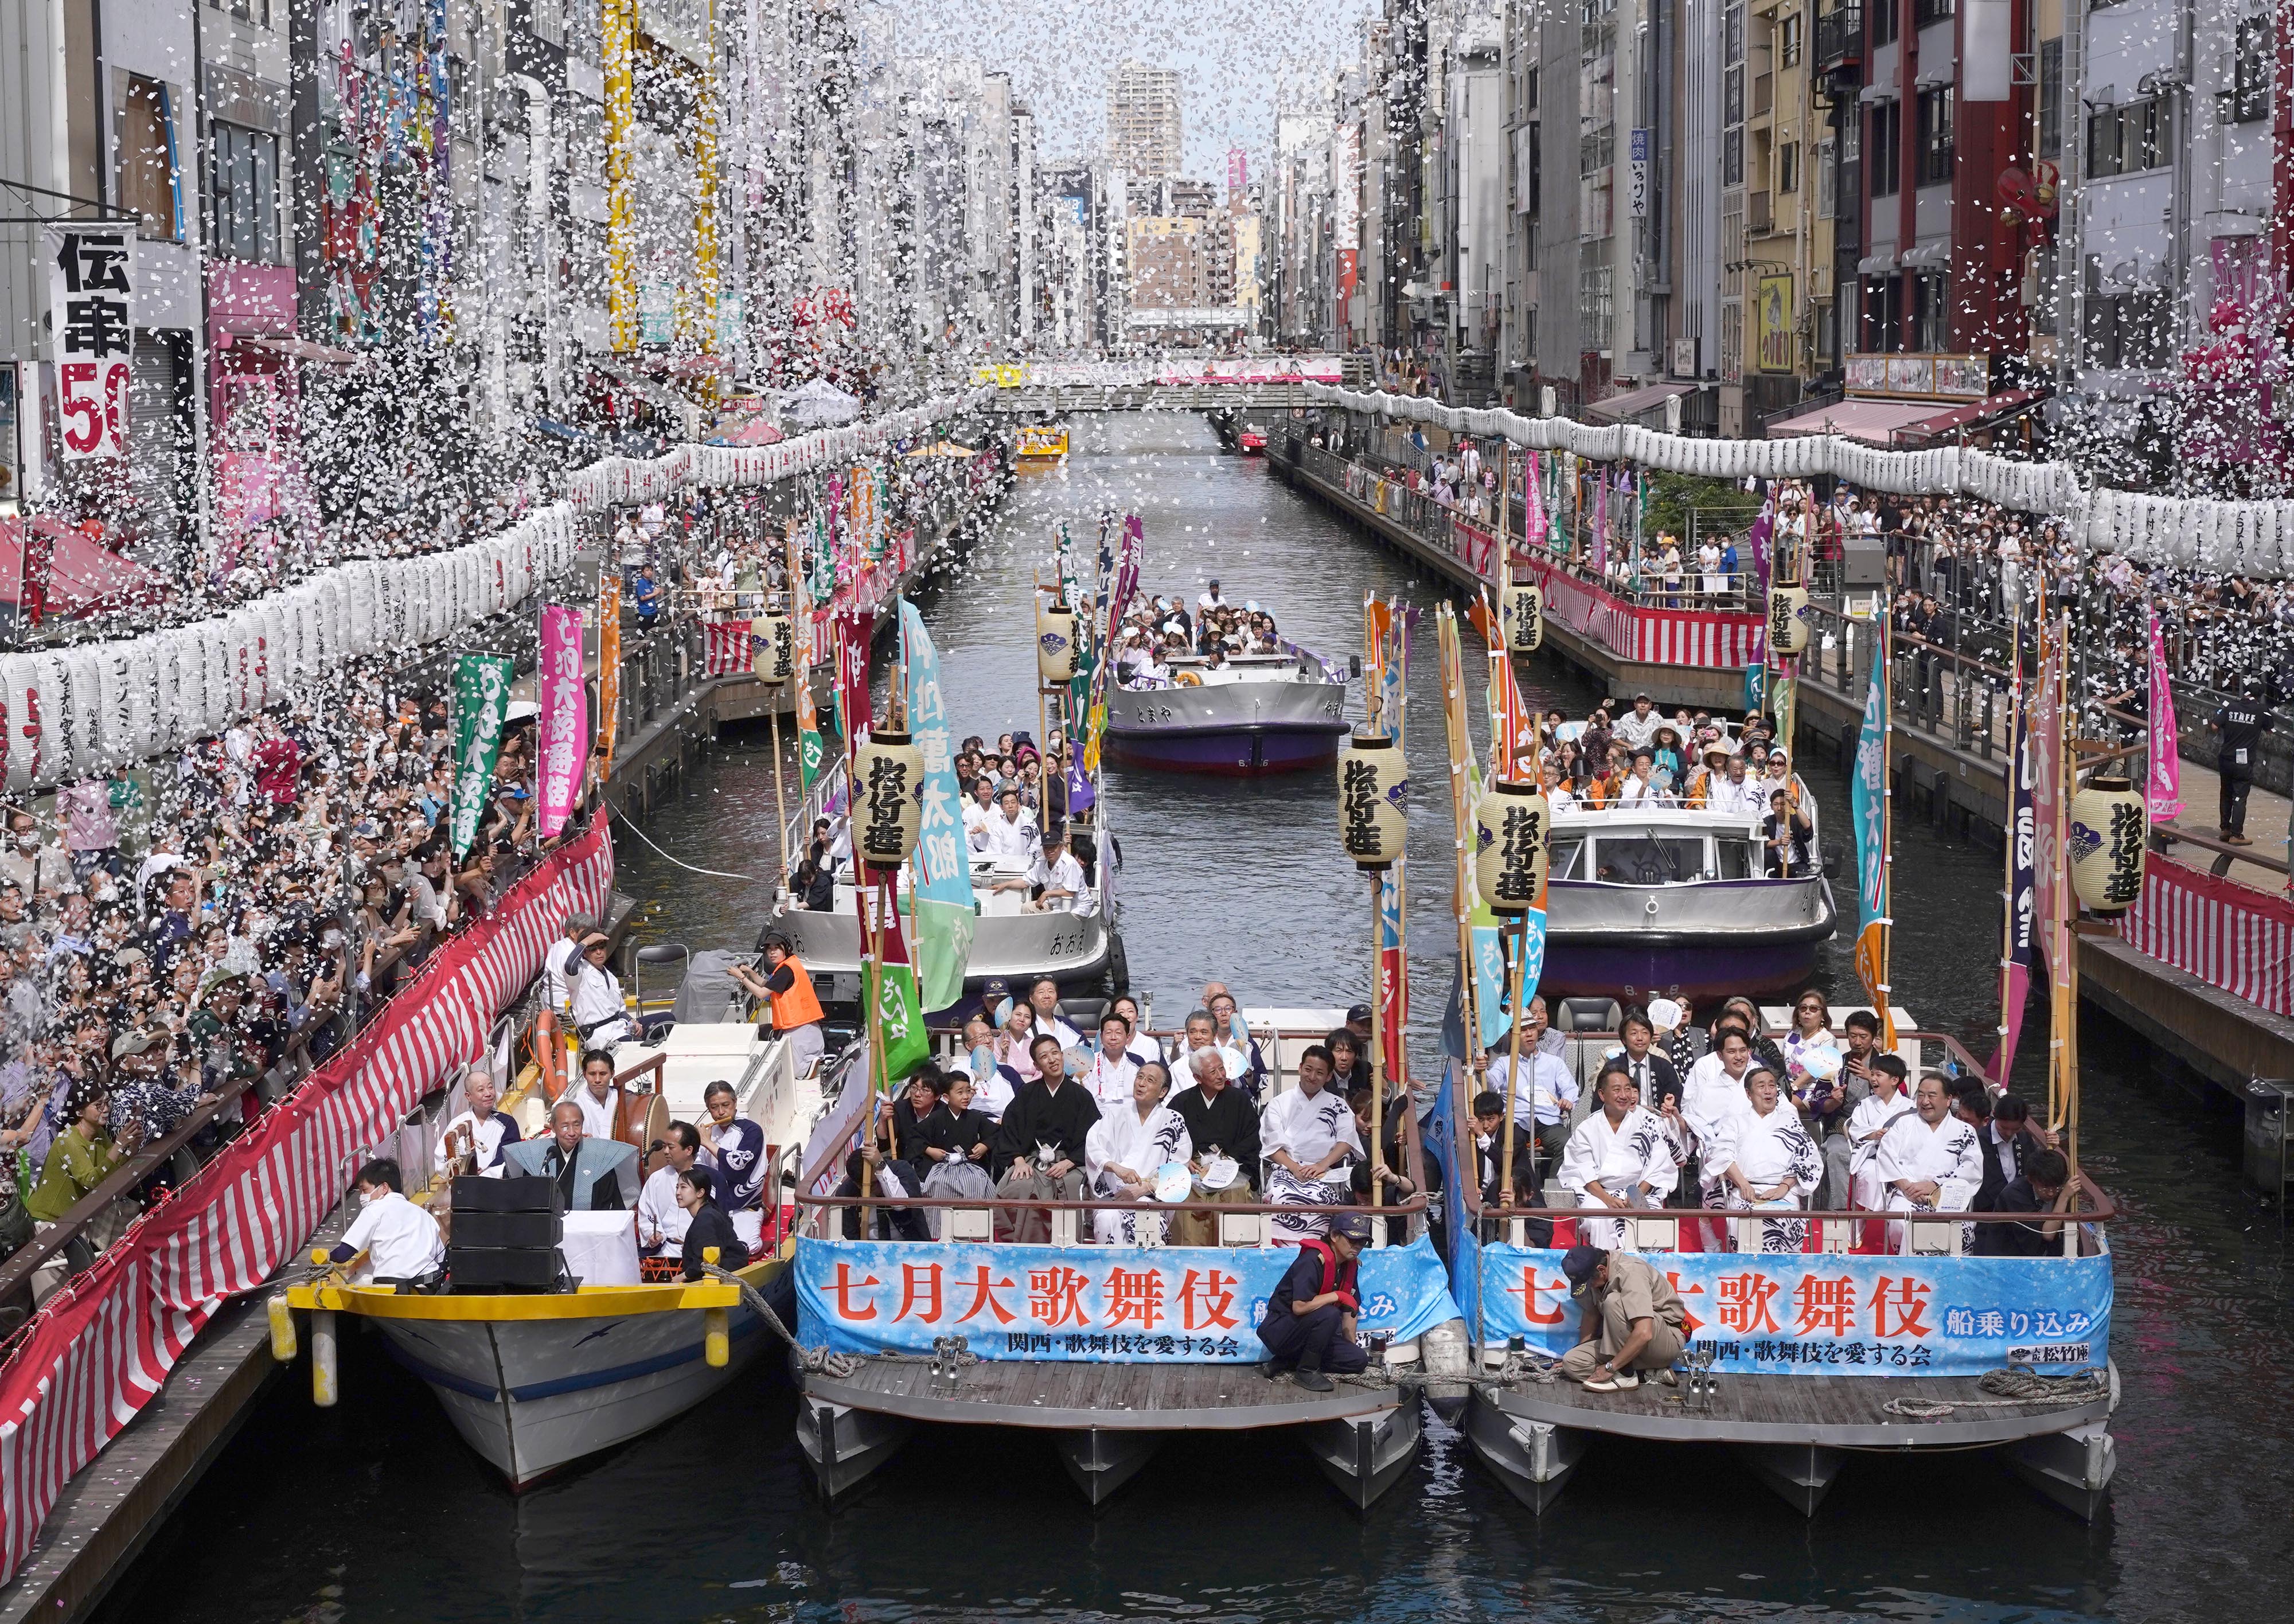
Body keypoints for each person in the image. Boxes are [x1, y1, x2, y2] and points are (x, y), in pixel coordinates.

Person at [1556, 1062, 1677, 1248]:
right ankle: (1606, 1270)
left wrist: (1636, 1195)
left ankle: (1647, 1272)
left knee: (1652, 1220)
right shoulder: (1587, 1128)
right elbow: (1583, 1171)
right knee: (1598, 1219)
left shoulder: (1647, 1123)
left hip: (1639, 1191)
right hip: (1599, 1194)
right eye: (1617, 1090)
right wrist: (1608, 1200)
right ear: (1602, 1095)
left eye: (1628, 1089)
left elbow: (1660, 1165)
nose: (1624, 1095)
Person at [993, 1035, 1101, 1243]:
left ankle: (1069, 1244)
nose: (1052, 1060)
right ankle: (1028, 1246)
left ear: (1062, 1055)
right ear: (1036, 1065)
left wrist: (1071, 1161)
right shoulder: (1027, 1093)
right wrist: (1018, 1160)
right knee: (1022, 1186)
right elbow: (1010, 1128)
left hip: (1071, 1161)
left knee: (1070, 1184)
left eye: (1055, 1053)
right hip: (1032, 1160)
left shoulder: (1081, 1095)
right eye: (1044, 1056)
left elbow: (1093, 1135)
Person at [1255, 1209, 1372, 1392]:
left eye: (1362, 1242)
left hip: (1313, 1337)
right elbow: (1299, 1307)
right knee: (1330, 1313)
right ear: (1334, 1236)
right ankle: (1306, 1371)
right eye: (1352, 1240)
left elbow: (1351, 1309)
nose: (1357, 1247)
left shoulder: (1350, 1265)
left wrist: (1349, 1345)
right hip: (1282, 1332)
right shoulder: (1312, 1261)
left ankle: (1289, 1361)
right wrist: (1337, 1296)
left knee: (1358, 1360)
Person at [1709, 1066, 1821, 1252]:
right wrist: (1743, 1184)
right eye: (1761, 1086)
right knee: (1746, 1222)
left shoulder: (1790, 1122)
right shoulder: (1735, 1122)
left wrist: (1784, 1187)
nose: (1768, 1091)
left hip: (1783, 1191)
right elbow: (1722, 1154)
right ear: (1749, 1094)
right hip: (1746, 1190)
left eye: (1772, 1085)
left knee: (1786, 1217)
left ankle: (1784, 1275)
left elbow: (1807, 1157)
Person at [1082, 1061, 1192, 1244]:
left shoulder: (1173, 1121)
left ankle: (1144, 1272)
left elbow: (1179, 1169)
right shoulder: (1114, 1114)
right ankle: (1111, 1270)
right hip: (1114, 1194)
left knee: (1148, 1219)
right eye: (1140, 1077)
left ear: (1163, 1092)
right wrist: (1116, 1168)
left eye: (1150, 1080)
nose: (1141, 1083)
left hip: (1153, 1195)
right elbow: (1094, 1145)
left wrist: (1144, 1188)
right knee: (1106, 1218)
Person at [1874, 1072, 1984, 1252]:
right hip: (1907, 1194)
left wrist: (1935, 1185)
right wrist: (1906, 1186)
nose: (1925, 1101)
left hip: (1949, 1196)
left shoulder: (1965, 1131)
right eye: (1921, 1095)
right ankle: (1908, 1271)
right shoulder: (1904, 1123)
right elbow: (1886, 1156)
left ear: (1948, 1100)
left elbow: (1971, 1168)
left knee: (1958, 1229)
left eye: (1932, 1096)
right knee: (1900, 1222)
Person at [1556, 1243, 1688, 1391]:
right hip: (1625, 1344)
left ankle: (1626, 1375)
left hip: (1663, 1341)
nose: (1590, 1287)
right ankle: (1645, 1375)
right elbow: (1591, 1314)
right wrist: (1581, 1349)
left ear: (1601, 1270)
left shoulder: (1631, 1273)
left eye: (1589, 1283)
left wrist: (1611, 1368)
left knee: (1613, 1302)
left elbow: (1644, 1333)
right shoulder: (1594, 1275)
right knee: (1572, 1362)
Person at [1166, 1045, 1262, 1244]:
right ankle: (1190, 1256)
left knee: (1235, 1193)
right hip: (1193, 1167)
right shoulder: (1181, 1102)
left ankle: (1233, 1254)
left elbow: (1252, 1138)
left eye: (1222, 1069)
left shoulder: (1240, 1100)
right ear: (1198, 1078)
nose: (1220, 1076)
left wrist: (1226, 1160)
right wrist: (1185, 1161)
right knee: (1183, 1194)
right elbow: (1169, 1140)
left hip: (1232, 1165)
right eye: (1213, 1072)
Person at [326, 1158, 444, 1288]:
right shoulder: (424, 1215)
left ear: (384, 1188)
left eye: (364, 1190)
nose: (362, 1196)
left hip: (391, 1284)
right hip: (427, 1283)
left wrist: (324, 1260)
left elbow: (344, 1253)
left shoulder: (374, 1209)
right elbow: (440, 1258)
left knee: (360, 1278)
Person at [501, 1100, 633, 1210]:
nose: (572, 1132)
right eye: (565, 1126)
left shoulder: (599, 1157)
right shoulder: (538, 1155)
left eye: (577, 1125)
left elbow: (609, 1205)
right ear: (552, 1126)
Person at [1491, 1002, 1579, 1162]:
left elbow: (1570, 1088)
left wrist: (1568, 1099)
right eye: (1523, 1031)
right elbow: (1492, 1084)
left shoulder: (1554, 1062)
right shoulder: (1504, 1063)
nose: (1529, 1034)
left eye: (1532, 1029)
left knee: (1567, 1144)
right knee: (1511, 1143)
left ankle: (1554, 1185)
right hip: (1516, 1121)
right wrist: (1479, 1071)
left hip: (1548, 1121)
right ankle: (1517, 1184)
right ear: (1512, 1035)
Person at [735, 933, 826, 1076]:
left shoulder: (785, 970)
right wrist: (750, 972)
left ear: (787, 948)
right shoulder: (791, 964)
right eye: (769, 949)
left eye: (777, 948)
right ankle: (813, 1061)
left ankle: (810, 1065)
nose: (772, 952)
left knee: (796, 1071)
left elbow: (761, 993)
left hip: (798, 1027)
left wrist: (740, 977)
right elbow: (768, 985)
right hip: (805, 1025)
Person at [701, 1079, 771, 1246]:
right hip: (713, 1204)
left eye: (726, 1105)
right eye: (714, 1107)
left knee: (746, 1246)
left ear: (735, 1102)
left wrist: (708, 1144)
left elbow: (738, 1165)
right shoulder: (708, 1133)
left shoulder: (751, 1130)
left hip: (745, 1204)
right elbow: (697, 1166)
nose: (721, 1112)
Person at [1971, 1148, 2076, 1257]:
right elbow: (2047, 1233)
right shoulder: (2013, 1195)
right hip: (2010, 1257)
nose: (2051, 1194)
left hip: (2046, 1255)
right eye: (2045, 1189)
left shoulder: (2062, 1189)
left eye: (2056, 1188)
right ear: (2031, 1180)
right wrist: (2064, 1197)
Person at [435, 1066, 521, 1180]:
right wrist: (466, 1170)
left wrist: (486, 1172)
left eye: (490, 1088)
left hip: (497, 1184)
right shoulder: (456, 1125)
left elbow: (510, 1157)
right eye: (481, 1090)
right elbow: (442, 1158)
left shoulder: (507, 1123)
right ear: (468, 1096)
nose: (488, 1094)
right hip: (465, 1186)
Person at [1973, 1093, 2049, 1211]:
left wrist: (2051, 1149)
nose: (2009, 1134)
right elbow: (1991, 1183)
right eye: (2004, 1128)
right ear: (1994, 1115)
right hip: (1988, 1211)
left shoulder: (2025, 1138)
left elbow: (2036, 1170)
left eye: (2016, 1129)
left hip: (2020, 1207)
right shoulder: (1979, 1140)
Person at [2209, 688, 2264, 844]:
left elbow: (2214, 726)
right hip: (2244, 761)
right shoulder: (2261, 710)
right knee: (2240, 797)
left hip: (2226, 756)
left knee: (2226, 793)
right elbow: (2270, 730)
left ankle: (2225, 829)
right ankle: (2236, 835)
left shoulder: (2231, 706)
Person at [676, 1166, 751, 1279]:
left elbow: (707, 1260)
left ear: (700, 1193)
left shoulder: (705, 1218)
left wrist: (682, 1277)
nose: (678, 1193)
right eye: (677, 1187)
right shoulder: (709, 1212)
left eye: (683, 1187)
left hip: (722, 1281)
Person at [568, 931, 633, 1047]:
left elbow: (620, 1009)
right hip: (599, 1034)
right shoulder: (580, 974)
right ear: (584, 953)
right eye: (593, 949)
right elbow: (569, 965)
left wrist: (632, 1021)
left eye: (602, 947)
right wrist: (586, 941)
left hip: (619, 1027)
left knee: (666, 1019)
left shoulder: (611, 976)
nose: (599, 952)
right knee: (632, 1043)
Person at [571, 1048, 622, 1141]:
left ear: (612, 1074)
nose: (598, 1080)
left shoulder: (622, 1098)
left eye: (603, 1074)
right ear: (584, 1075)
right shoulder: (577, 1106)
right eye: (592, 1074)